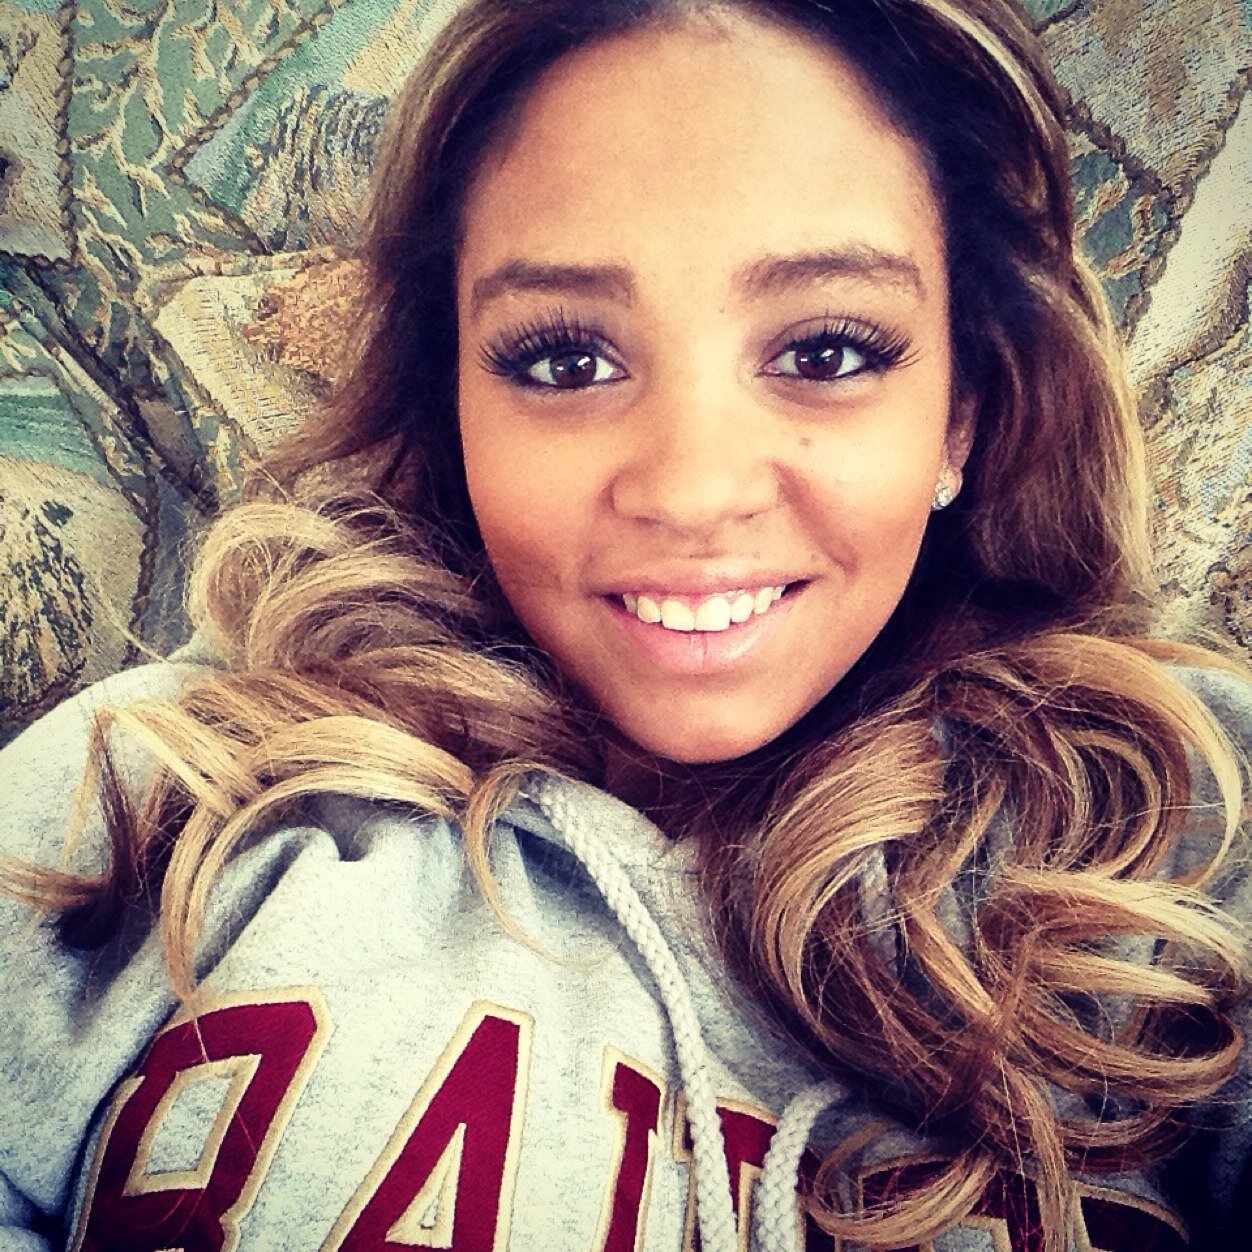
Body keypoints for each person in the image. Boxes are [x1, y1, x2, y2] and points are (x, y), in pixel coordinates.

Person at [0, 0, 1248, 1248]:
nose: (691, 491)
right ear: (450, 399)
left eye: (825, 351)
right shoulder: (155, 792)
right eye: (564, 361)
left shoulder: (1175, 828)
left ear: (961, 412)